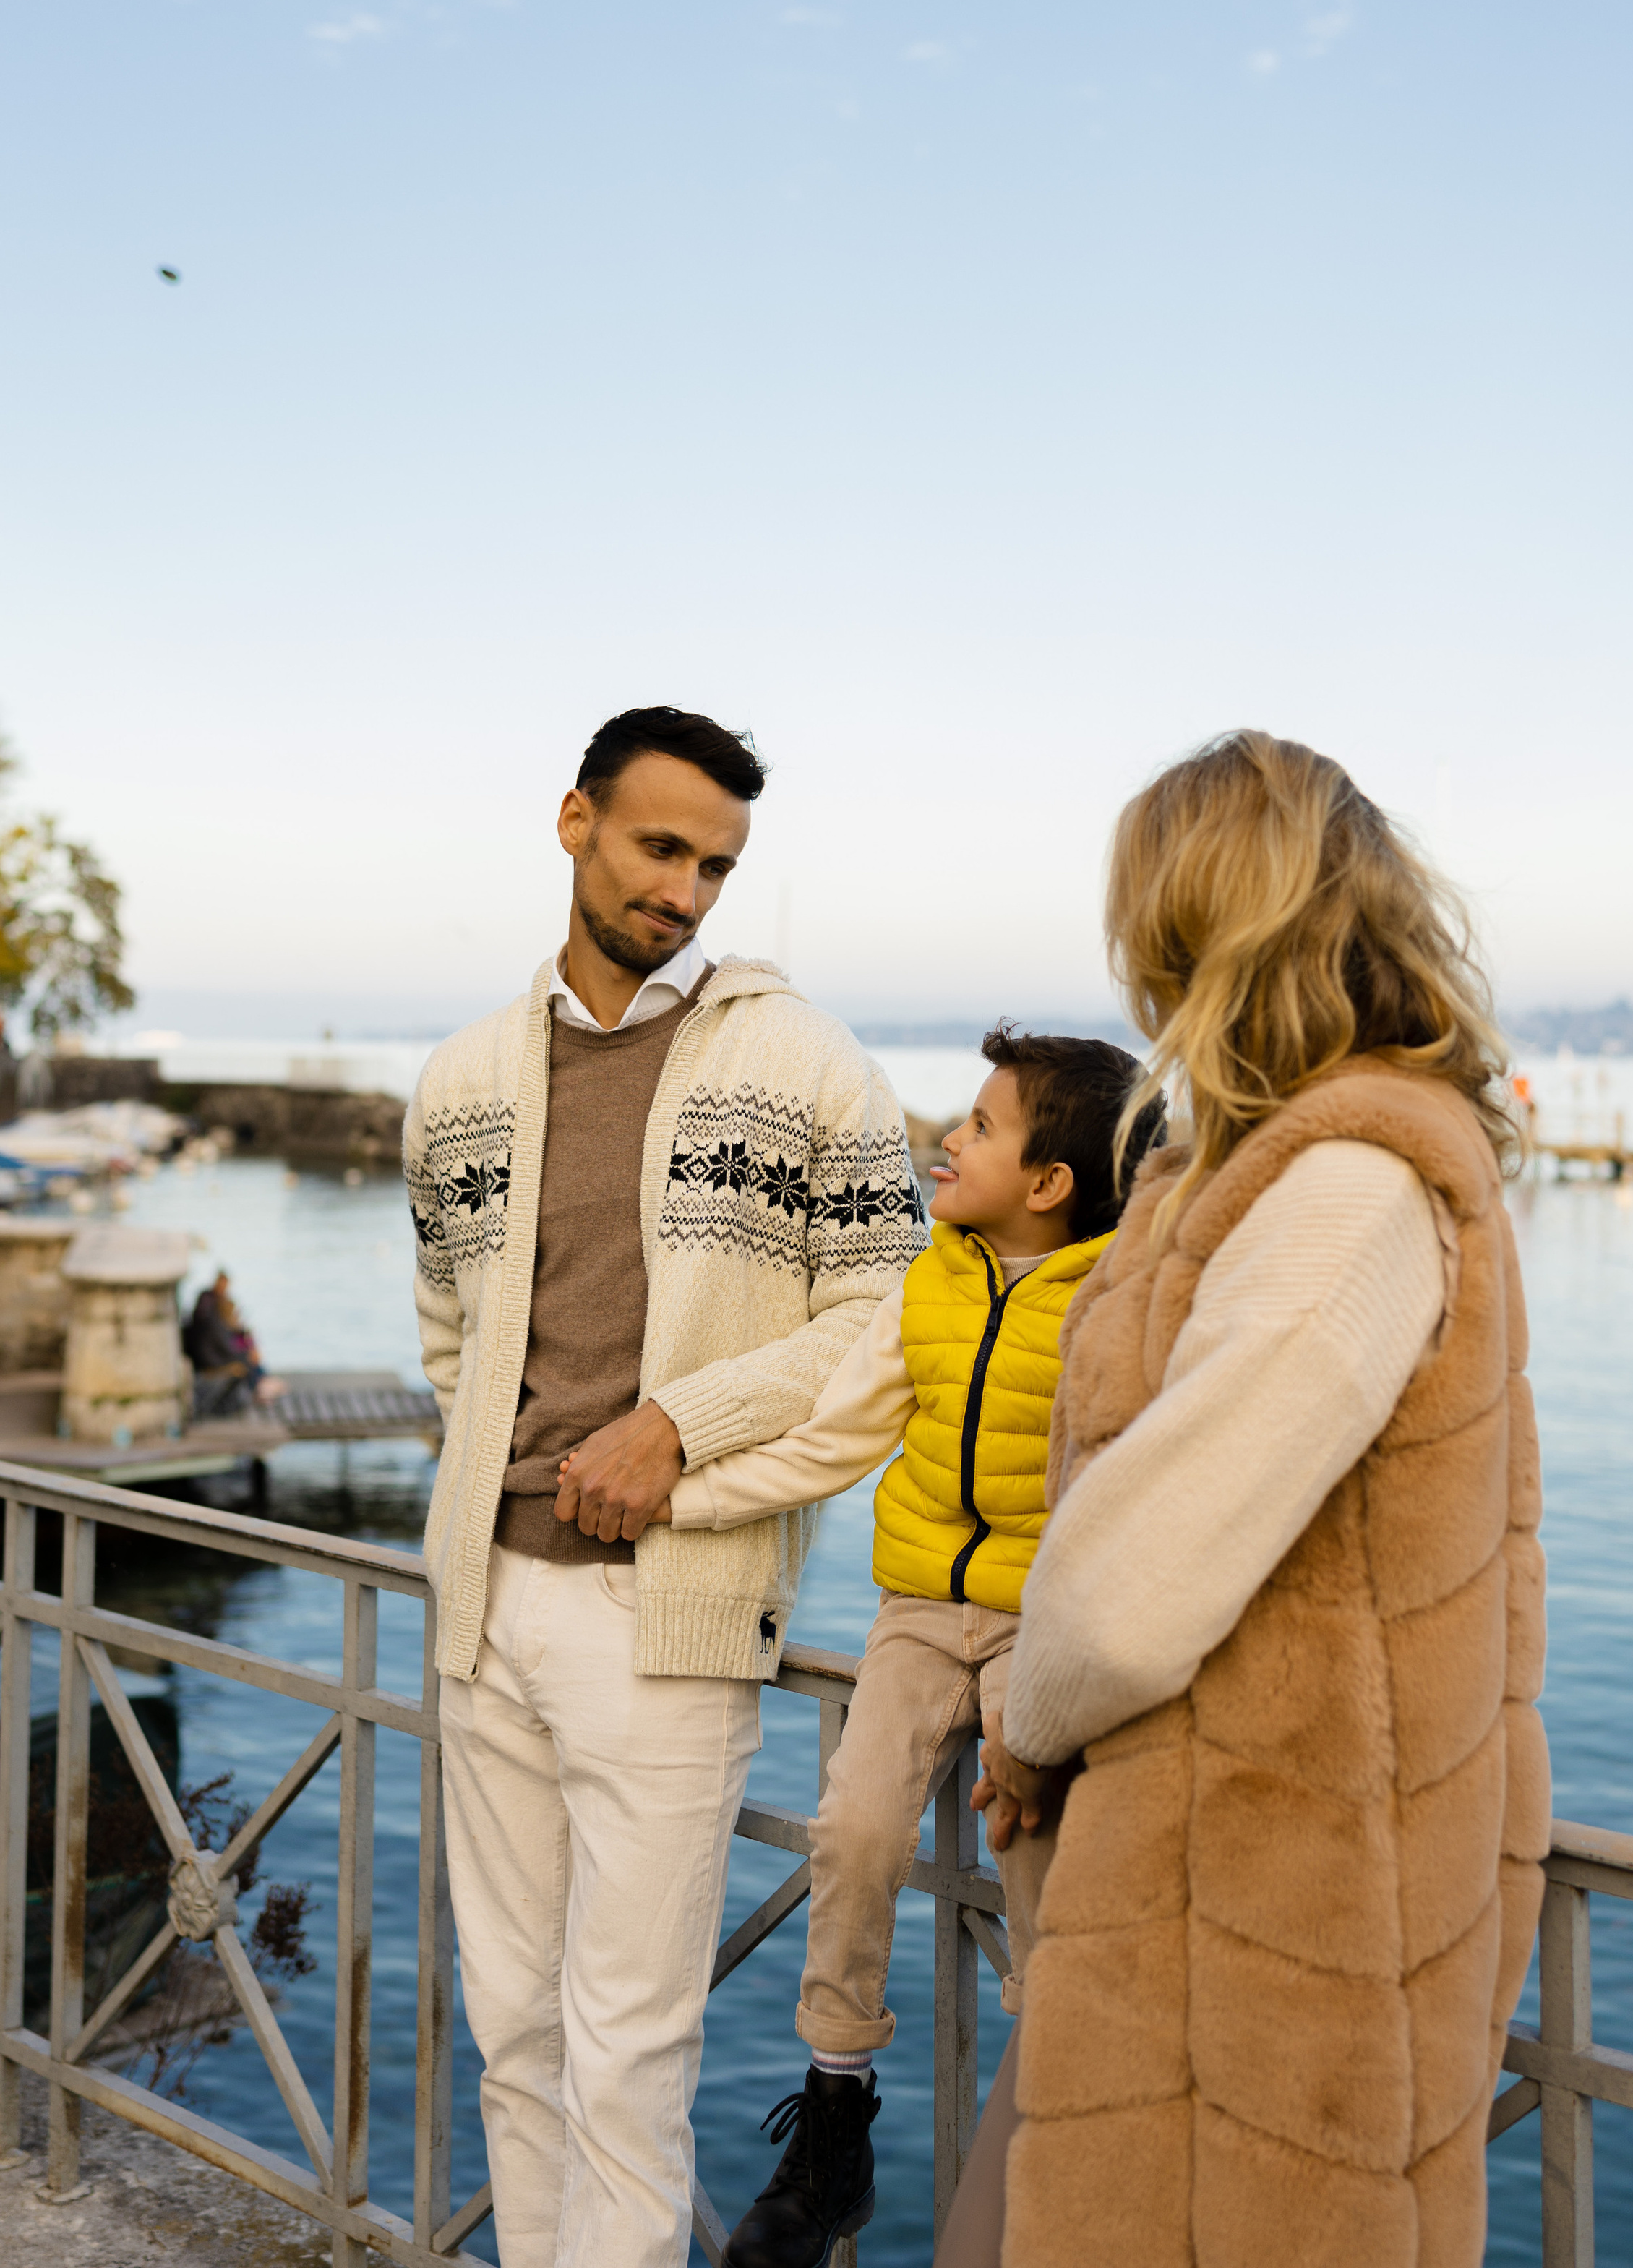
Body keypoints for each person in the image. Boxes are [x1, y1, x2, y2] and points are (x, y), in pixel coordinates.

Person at [974, 731, 1550, 2268]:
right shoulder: (1271, 1165)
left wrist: (1024, 1718)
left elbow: (1127, 1591)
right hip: (1200, 1908)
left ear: (1198, 924)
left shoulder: (1346, 1187)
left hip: (1264, 1943)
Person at [404, 706, 925, 2268]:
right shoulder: (460, 1078)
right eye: (659, 848)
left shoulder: (805, 1062)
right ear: (574, 821)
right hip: (480, 1610)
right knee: (514, 2037)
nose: (683, 891)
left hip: (669, 1620)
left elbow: (888, 1323)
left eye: (715, 866)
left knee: (626, 2060)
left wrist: (678, 1431)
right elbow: (447, 1332)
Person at [633, 1026, 1163, 2268]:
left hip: (1048, 1625)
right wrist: (679, 1501)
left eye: (981, 1127)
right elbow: (834, 1440)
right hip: (919, 1610)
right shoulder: (928, 1285)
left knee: (1039, 1877)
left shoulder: (1122, 1305)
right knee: (857, 1830)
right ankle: (834, 2125)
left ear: (1051, 1182)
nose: (948, 1140)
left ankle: (1057, 2143)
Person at [182, 1270, 270, 1416]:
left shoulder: (215, 1312)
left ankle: (257, 1386)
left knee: (249, 1362)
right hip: (210, 1360)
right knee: (245, 1365)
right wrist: (246, 1355)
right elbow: (222, 1346)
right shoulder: (211, 1313)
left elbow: (227, 1341)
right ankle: (256, 1389)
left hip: (213, 1354)